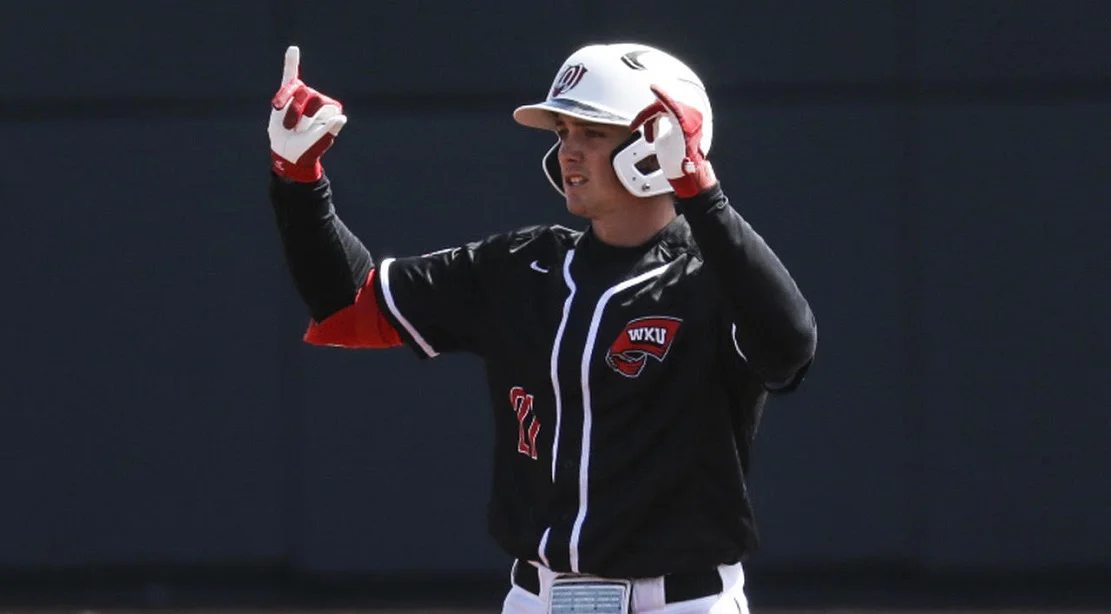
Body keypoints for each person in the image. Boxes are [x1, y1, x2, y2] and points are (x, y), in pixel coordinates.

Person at [268, 41, 817, 614]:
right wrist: (299, 181)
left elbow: (789, 346)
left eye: (593, 133)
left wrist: (703, 193)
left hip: (682, 602)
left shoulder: (714, 279)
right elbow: (348, 304)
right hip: (539, 597)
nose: (568, 153)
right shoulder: (521, 267)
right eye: (562, 132)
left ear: (658, 146)